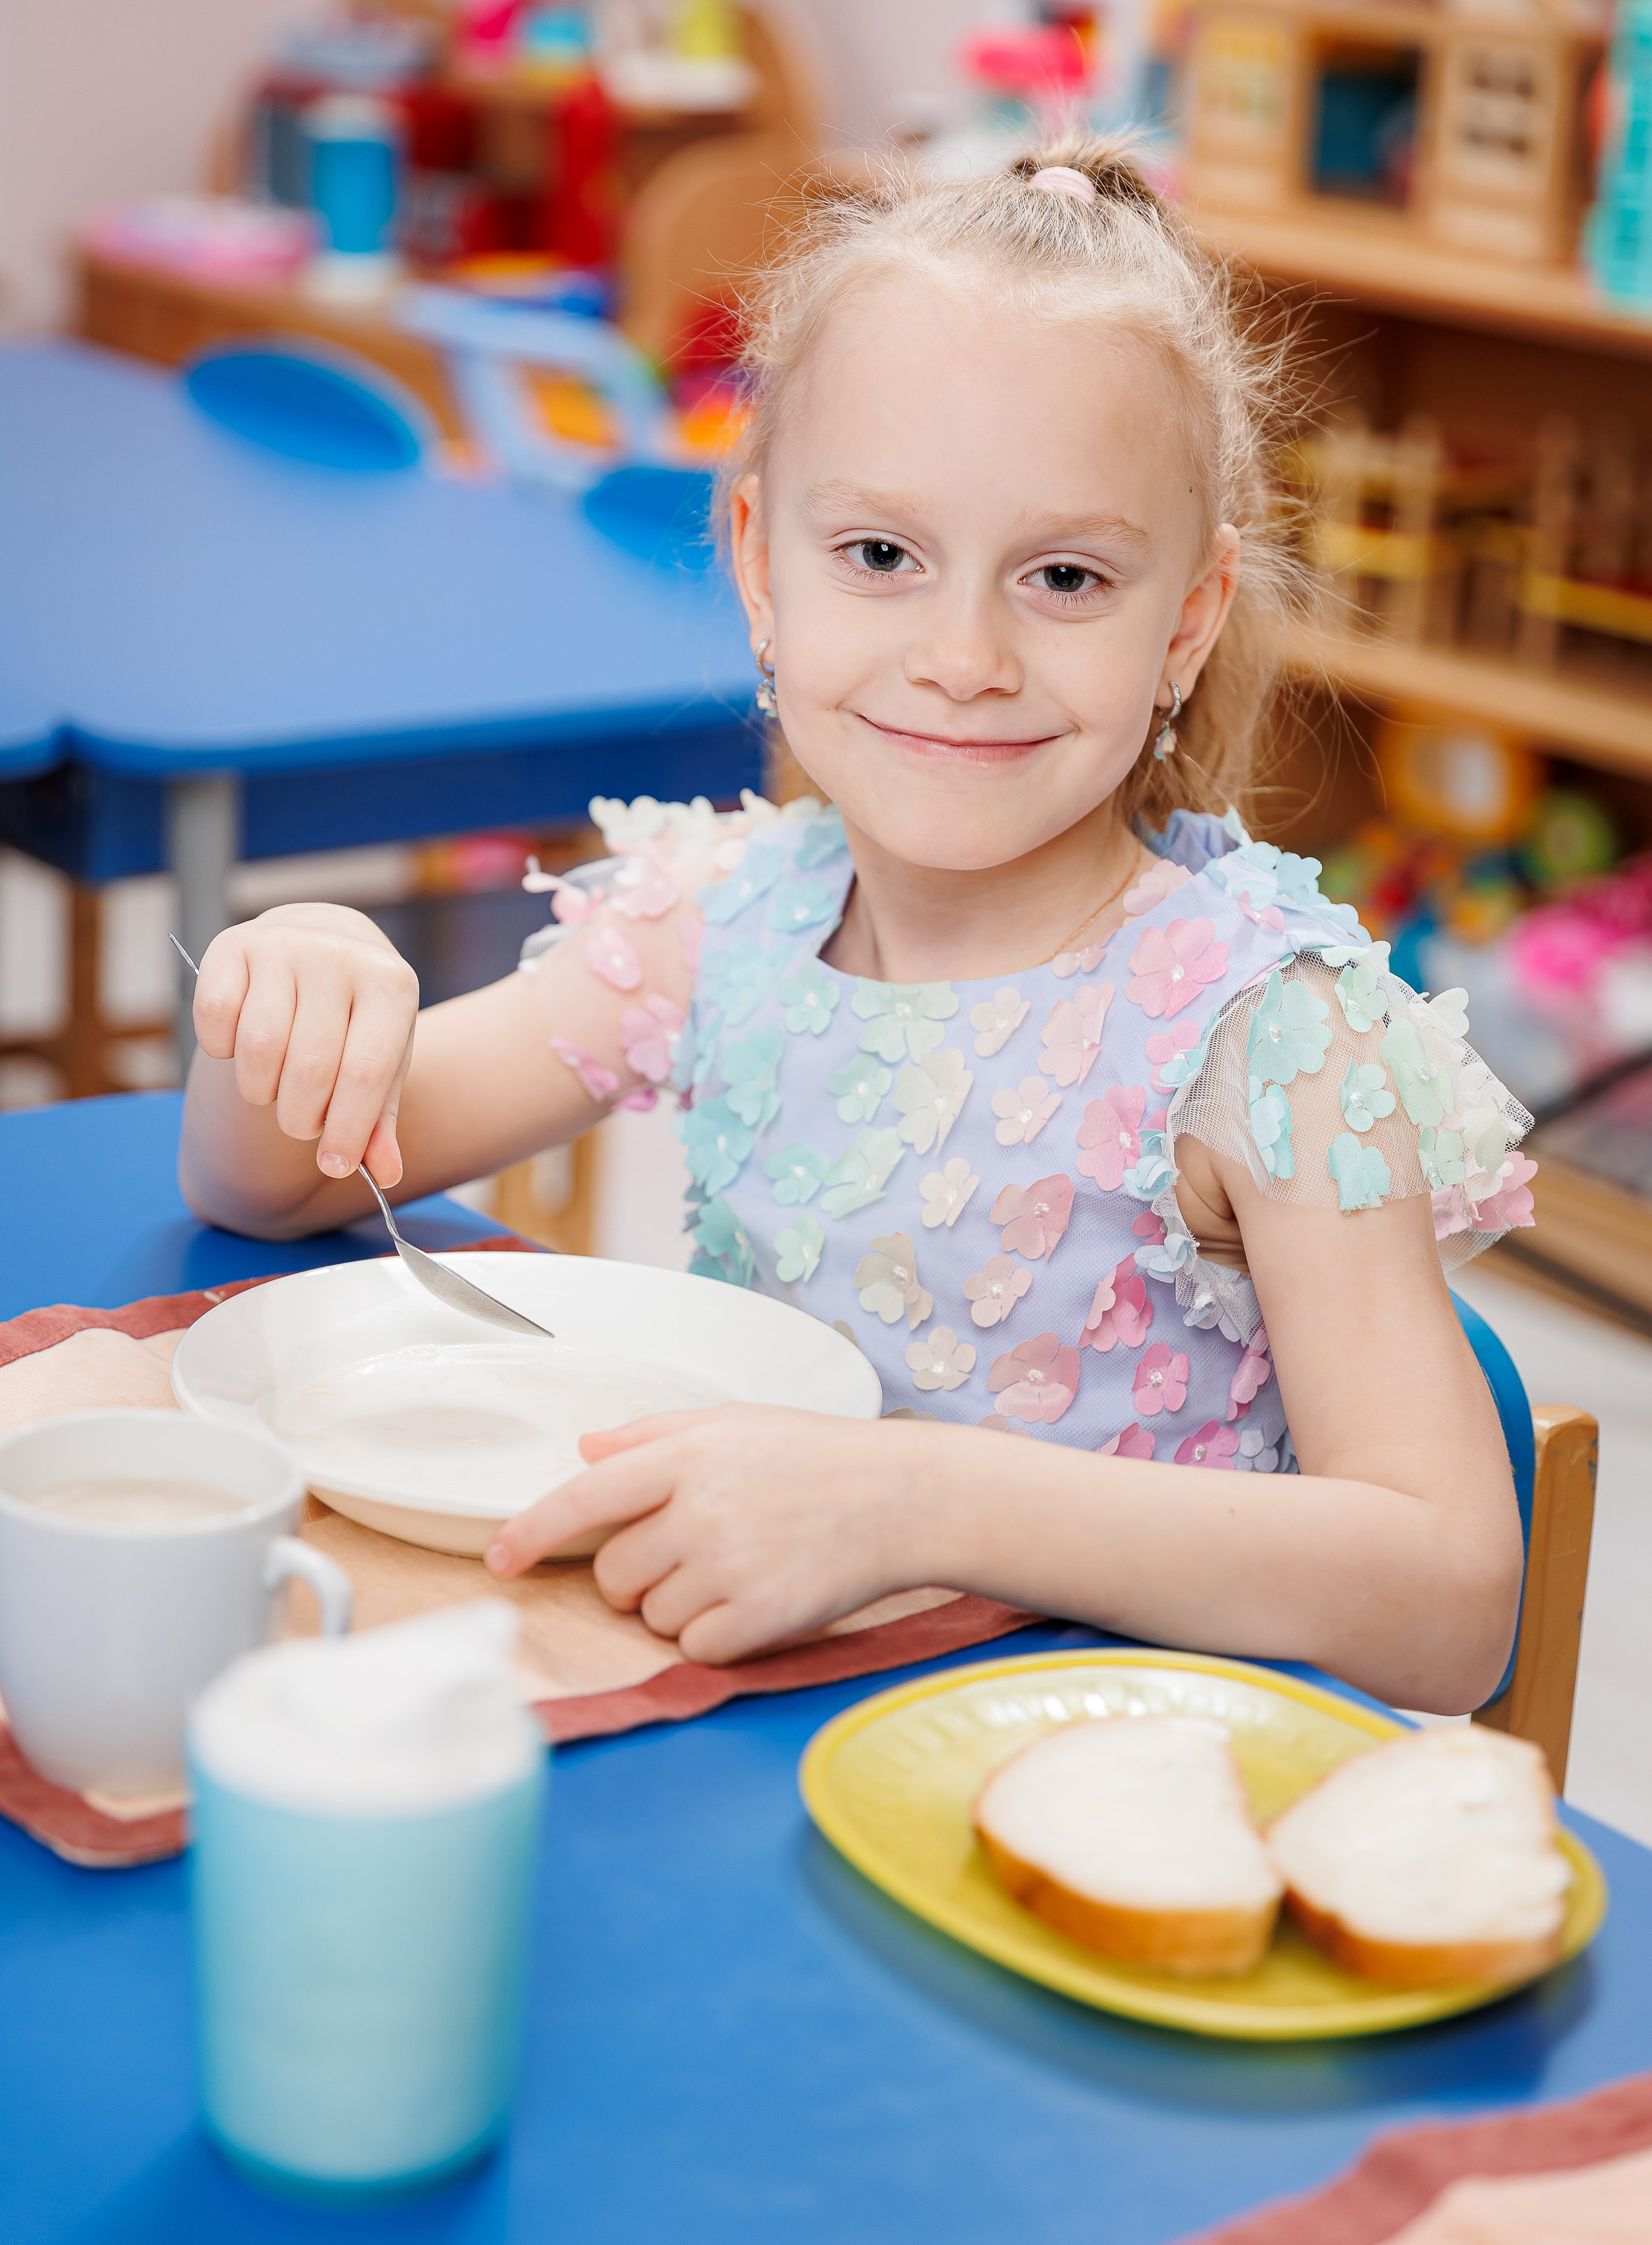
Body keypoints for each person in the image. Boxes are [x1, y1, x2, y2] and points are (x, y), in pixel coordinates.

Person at [179, 142, 1536, 1713]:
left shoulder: (1267, 1036)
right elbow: (274, 1187)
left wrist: (912, 1496)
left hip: (1114, 1809)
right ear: (761, 565)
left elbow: (1448, 1600)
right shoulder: (720, 922)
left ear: (1186, 620)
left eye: (1065, 575)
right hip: (772, 1762)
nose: (961, 655)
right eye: (881, 555)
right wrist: (294, 1001)